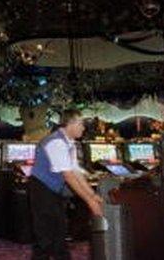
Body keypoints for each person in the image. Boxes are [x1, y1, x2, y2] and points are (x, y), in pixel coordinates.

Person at [29, 108, 104, 260]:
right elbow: (68, 176)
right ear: (70, 124)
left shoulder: (70, 143)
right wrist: (90, 202)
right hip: (42, 189)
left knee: (59, 231)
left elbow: (76, 171)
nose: (83, 128)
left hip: (53, 190)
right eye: (81, 124)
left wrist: (92, 195)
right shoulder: (56, 142)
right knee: (45, 235)